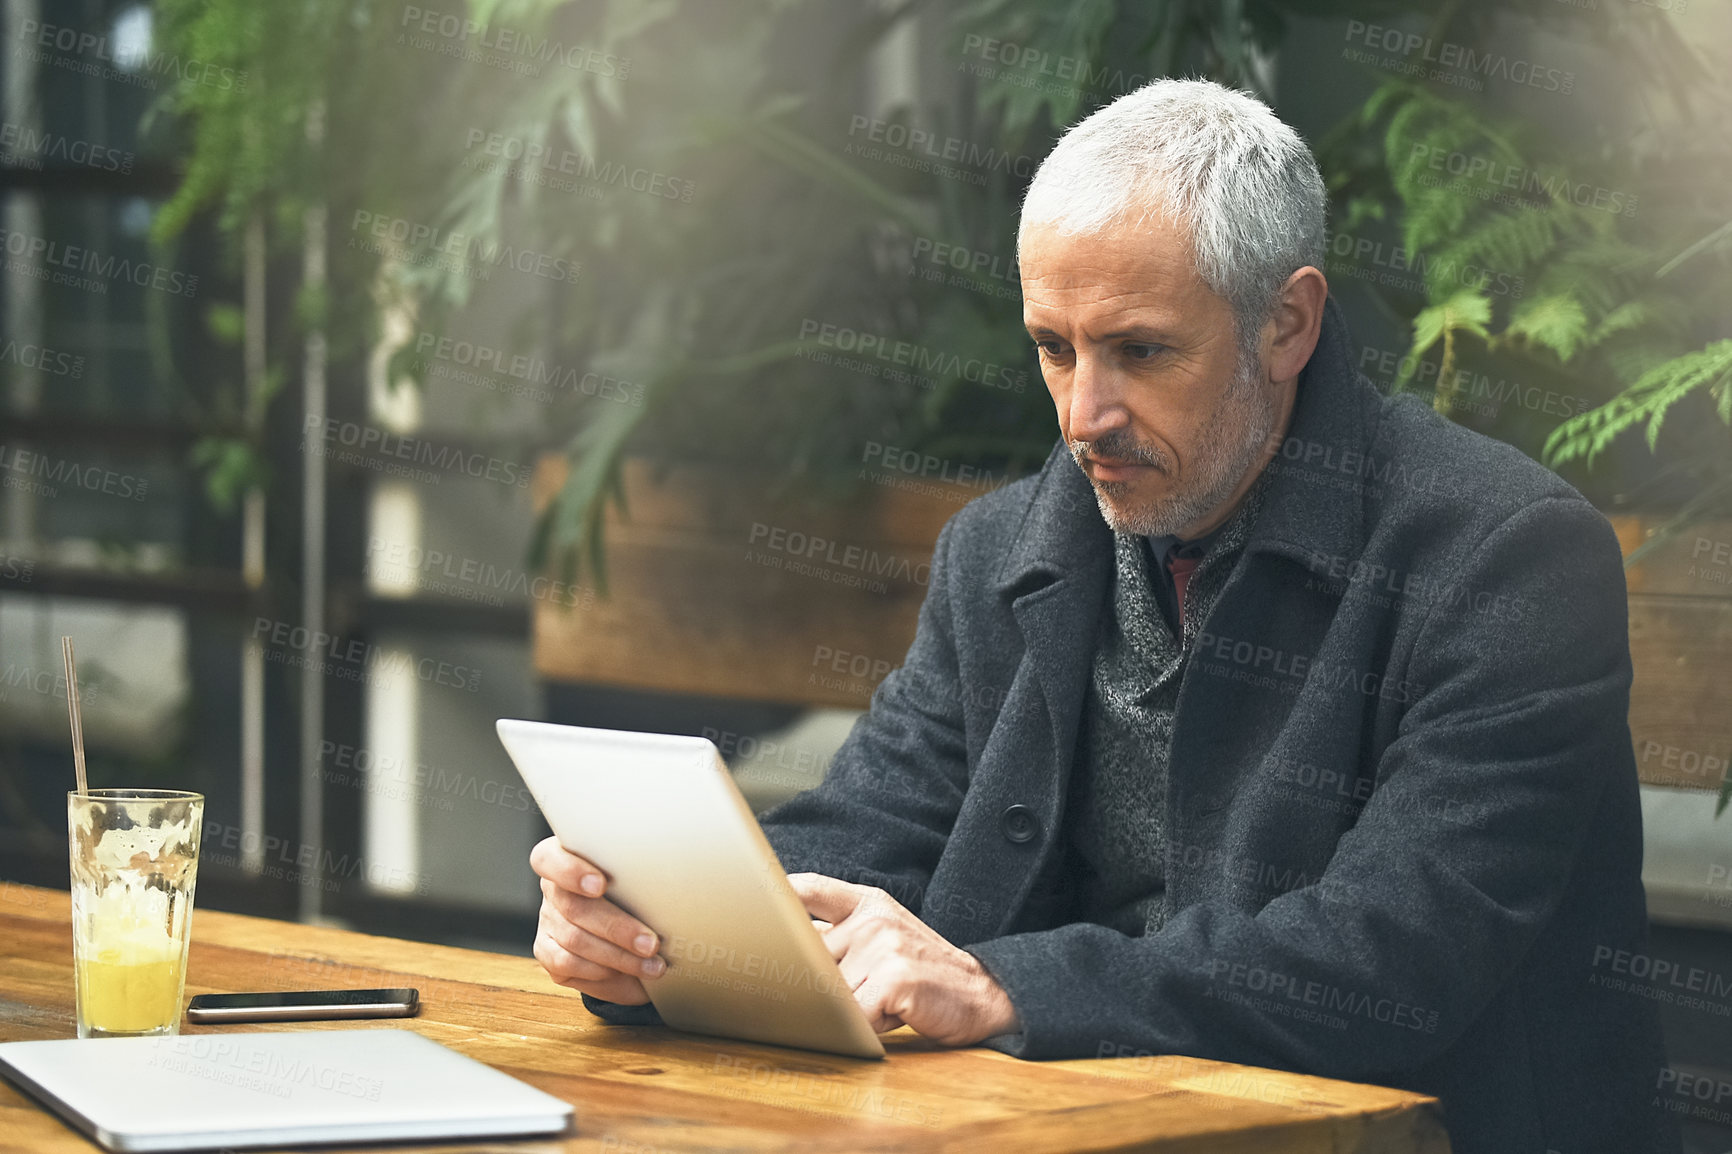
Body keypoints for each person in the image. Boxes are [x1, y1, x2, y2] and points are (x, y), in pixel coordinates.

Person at [529, 79, 1676, 1154]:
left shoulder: (1505, 554)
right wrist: (653, 936)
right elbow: (867, 829)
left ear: (1286, 324)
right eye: (1052, 347)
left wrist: (1008, 984)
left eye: (1139, 350)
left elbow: (1390, 959)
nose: (1085, 412)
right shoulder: (1006, 548)